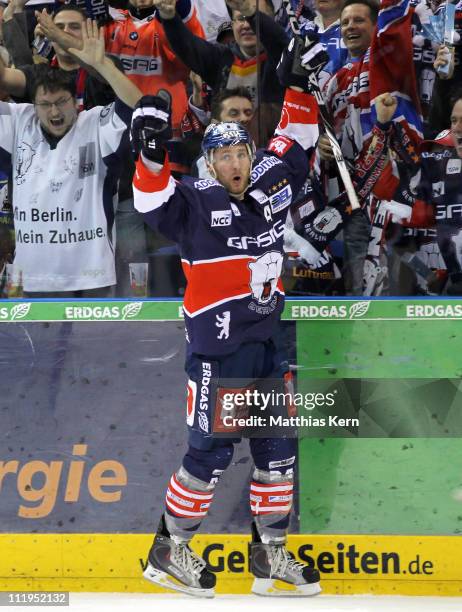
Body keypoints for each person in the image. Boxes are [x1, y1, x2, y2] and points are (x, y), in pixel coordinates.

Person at [130, 75, 322, 595]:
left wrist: (300, 86)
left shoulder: (273, 181)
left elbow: (298, 137)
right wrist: (150, 155)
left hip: (265, 347)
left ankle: (270, 557)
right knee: (209, 455)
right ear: (209, 164)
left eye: (242, 152)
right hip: (218, 355)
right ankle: (166, 554)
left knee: (278, 451)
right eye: (224, 156)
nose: (235, 163)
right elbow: (151, 201)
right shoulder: (194, 203)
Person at [0, 20, 142, 296]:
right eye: (45, 104)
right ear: (33, 105)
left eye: (62, 102)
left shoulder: (95, 123)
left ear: (75, 101)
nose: (54, 111)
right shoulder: (19, 122)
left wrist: (102, 65)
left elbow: (139, 108)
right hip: (31, 278)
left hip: (92, 278)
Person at [152, 0, 288, 146]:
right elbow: (188, 46)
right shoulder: (222, 58)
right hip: (222, 153)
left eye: (253, 16)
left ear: (273, 21)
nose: (247, 24)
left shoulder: (282, 57)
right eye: (240, 18)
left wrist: (251, 13)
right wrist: (169, 17)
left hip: (270, 157)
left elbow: (279, 42)